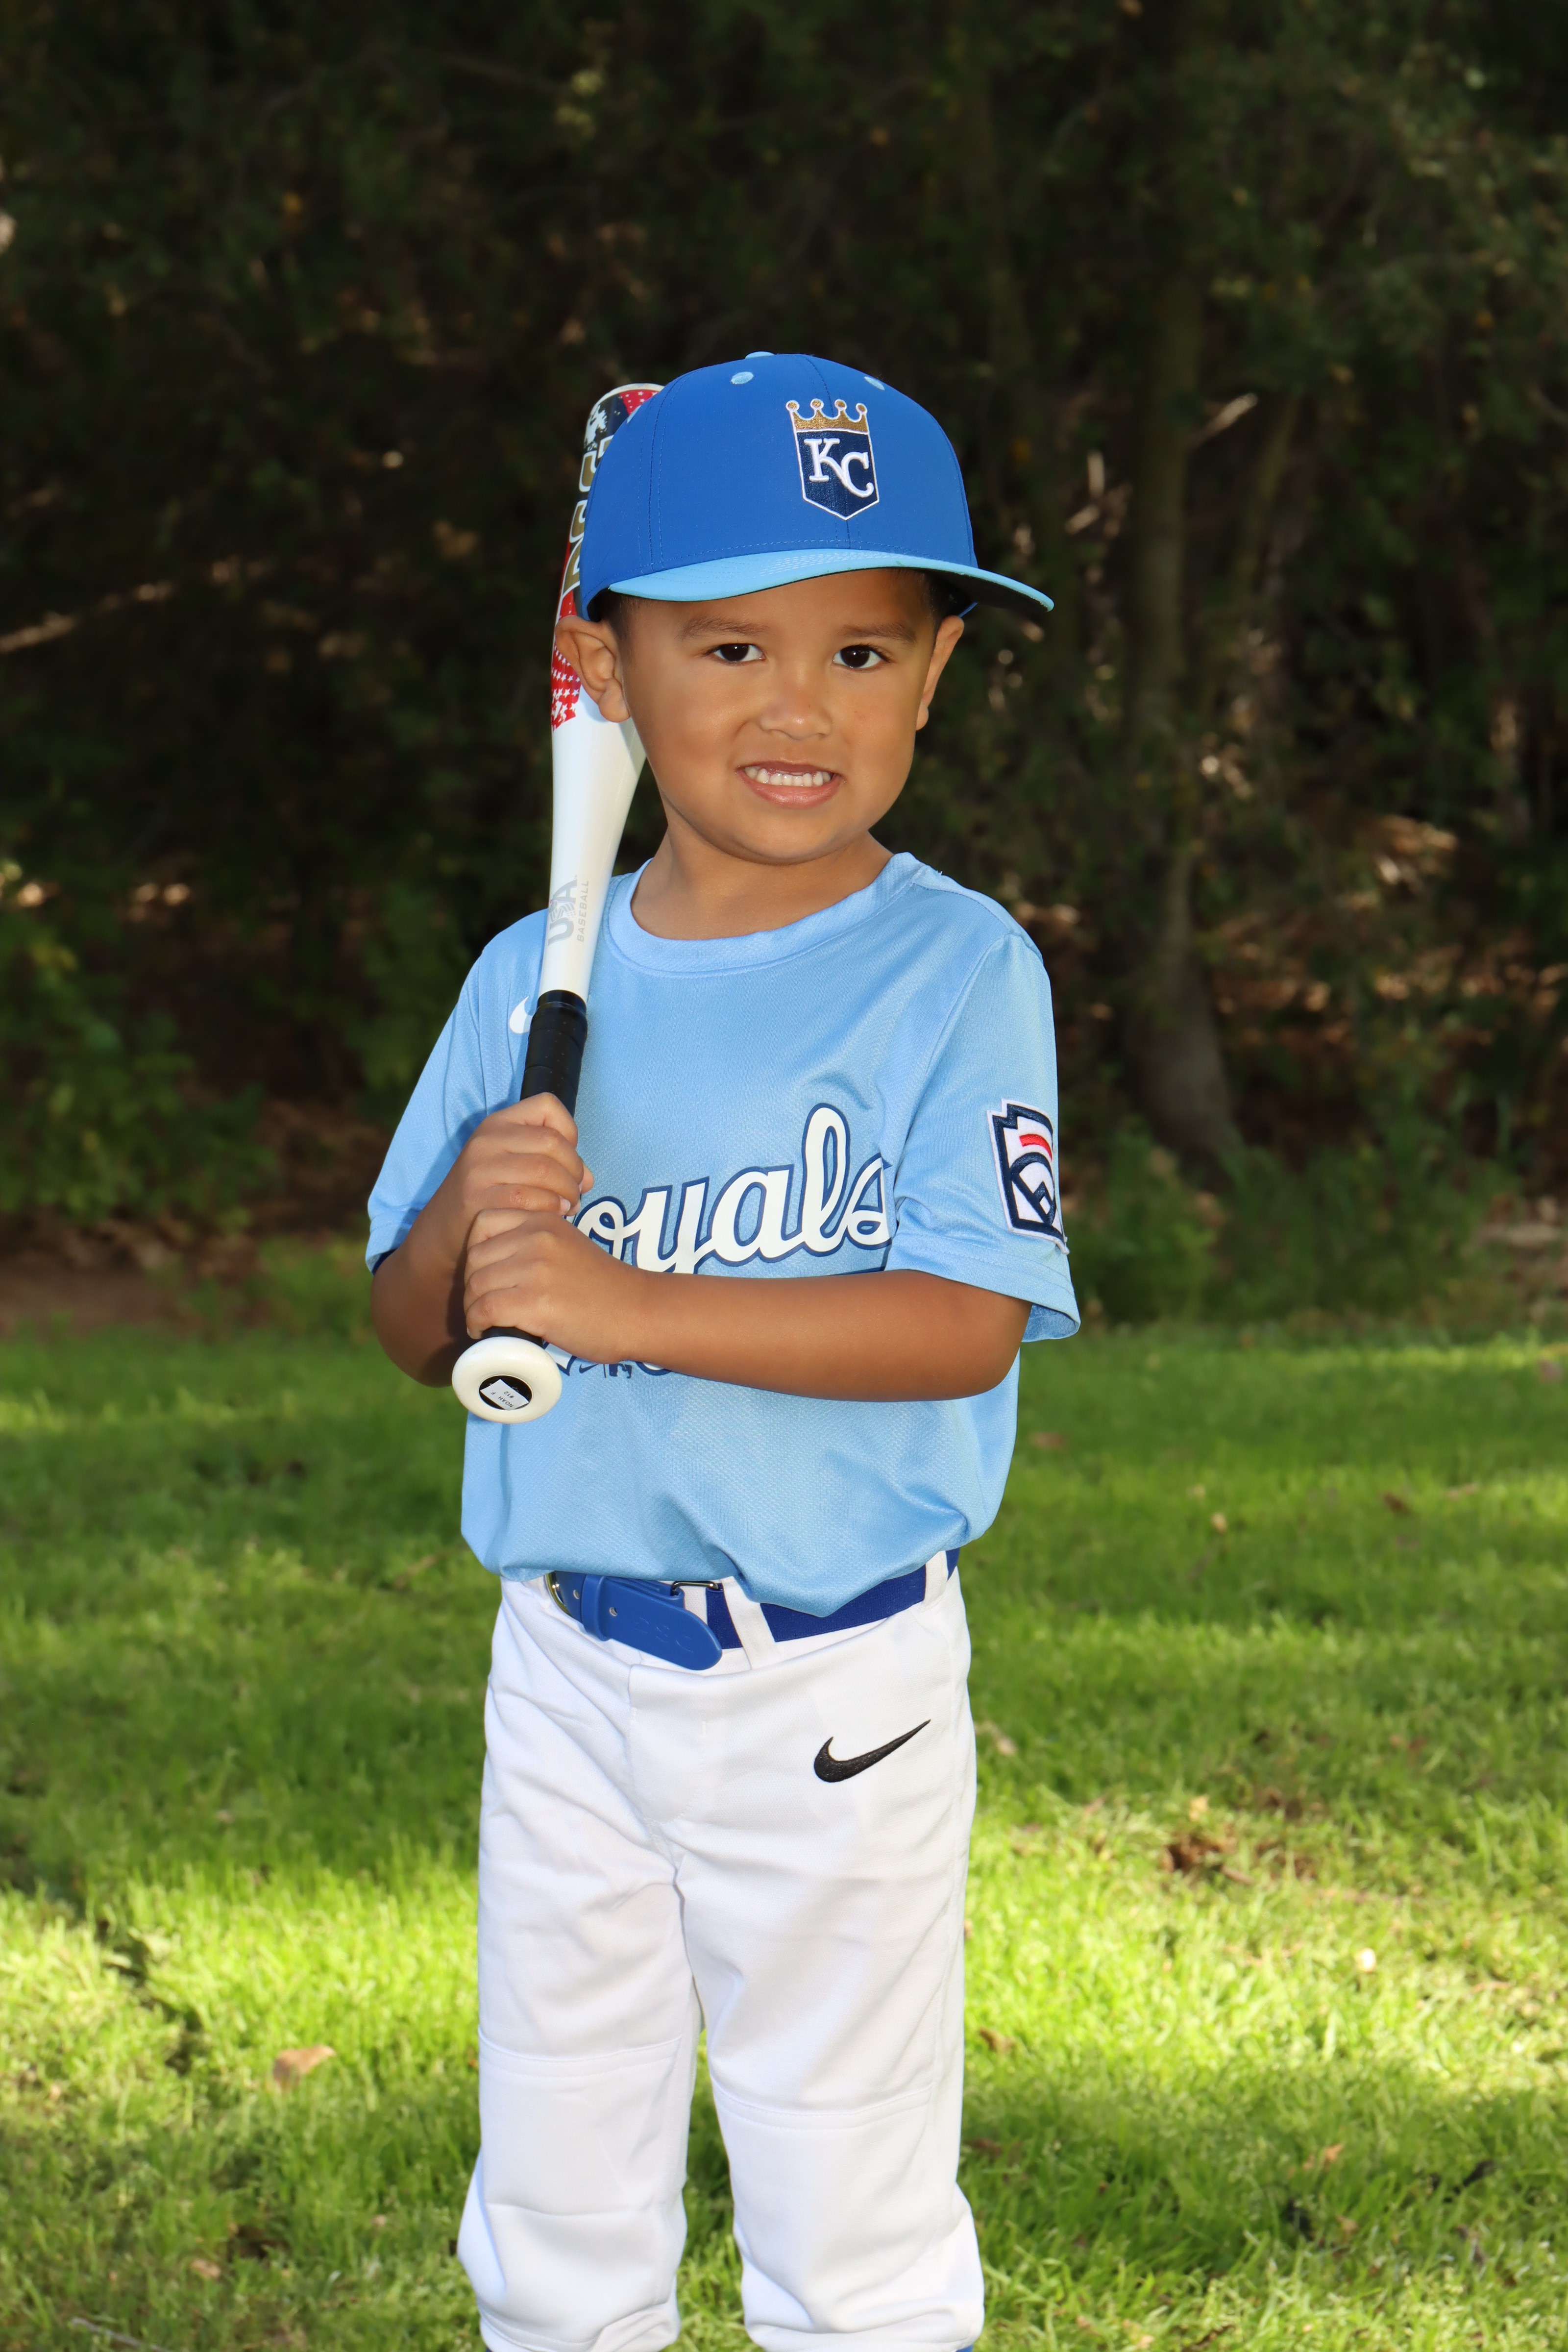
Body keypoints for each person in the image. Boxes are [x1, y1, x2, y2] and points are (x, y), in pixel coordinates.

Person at [367, 352, 1078, 2352]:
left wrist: (619, 1303)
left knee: (843, 2206)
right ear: (608, 672)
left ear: (934, 675)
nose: (799, 708)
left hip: (832, 1688)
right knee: (555, 2193)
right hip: (566, 1672)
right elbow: (409, 1327)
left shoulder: (957, 967)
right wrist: (470, 1220)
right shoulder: (530, 977)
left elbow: (958, 1326)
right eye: (733, 644)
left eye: (862, 652)